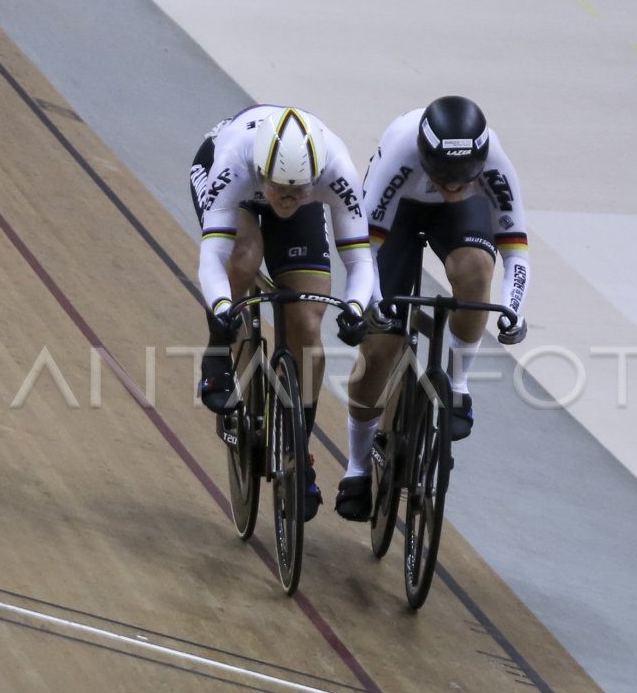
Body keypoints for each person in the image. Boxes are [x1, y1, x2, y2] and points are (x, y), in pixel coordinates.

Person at [335, 96, 530, 521]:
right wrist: (376, 307)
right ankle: (356, 466)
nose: (452, 188)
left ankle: (458, 386)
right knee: (379, 349)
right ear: (425, 156)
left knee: (478, 271)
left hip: (459, 220)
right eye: (443, 178)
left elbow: (516, 250)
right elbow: (363, 250)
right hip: (396, 217)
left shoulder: (493, 158)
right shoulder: (402, 151)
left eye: (463, 180)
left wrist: (513, 310)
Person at [190, 104, 374, 521]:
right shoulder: (235, 160)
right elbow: (211, 258)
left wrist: (356, 309)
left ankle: (296, 451)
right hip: (230, 186)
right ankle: (220, 351)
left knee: (307, 324)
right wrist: (222, 309)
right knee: (244, 254)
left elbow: (361, 262)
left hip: (284, 182)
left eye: (299, 192)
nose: (289, 201)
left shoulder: (336, 170)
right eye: (281, 190)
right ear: (262, 170)